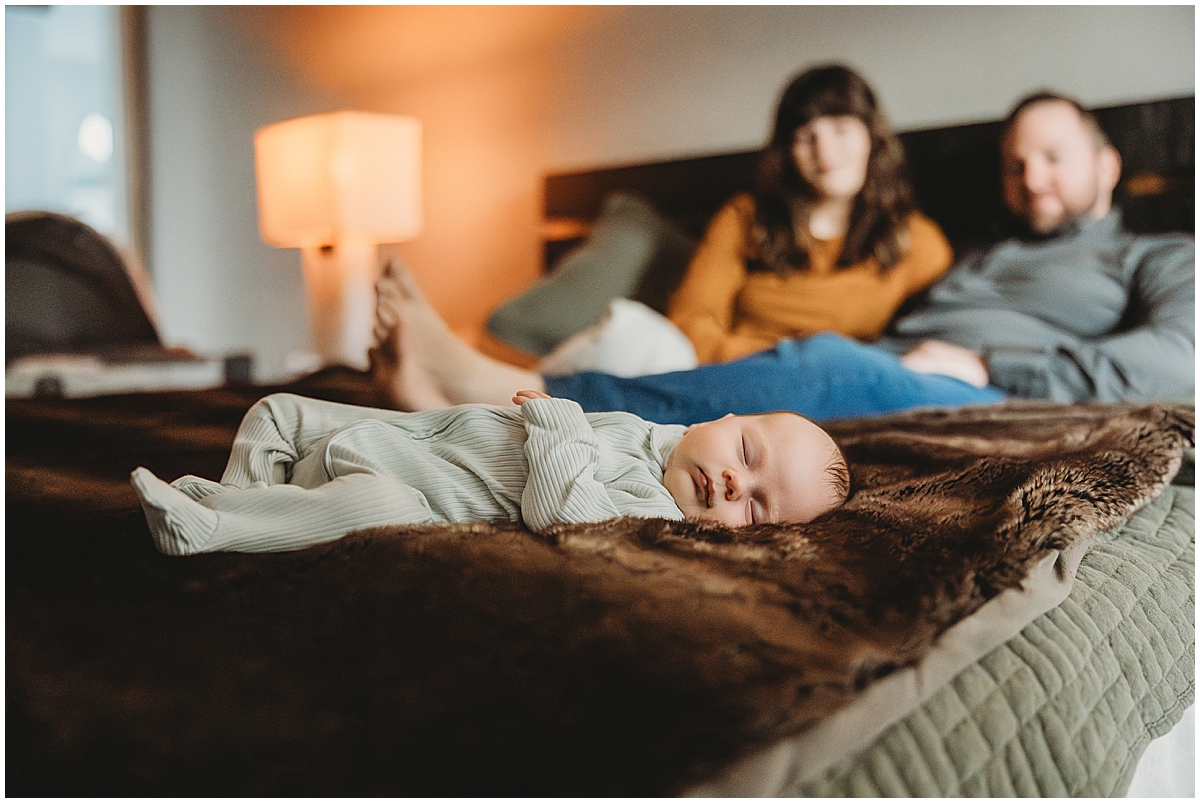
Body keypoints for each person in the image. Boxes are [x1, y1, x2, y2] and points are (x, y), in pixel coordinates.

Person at [370, 91, 1193, 425]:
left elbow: (1180, 362)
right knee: (822, 365)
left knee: (829, 363)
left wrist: (988, 360)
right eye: (1015, 163)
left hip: (980, 391)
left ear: (1110, 164)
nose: (1029, 177)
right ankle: (467, 415)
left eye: (1053, 157)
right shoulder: (978, 254)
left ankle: (507, 393)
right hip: (901, 365)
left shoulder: (1161, 254)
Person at [130, 391, 850, 556]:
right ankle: (244, 499)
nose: (733, 484)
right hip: (388, 433)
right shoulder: (647, 431)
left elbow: (566, 515)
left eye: (755, 509)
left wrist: (560, 421)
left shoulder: (649, 508)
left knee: (375, 504)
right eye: (748, 456)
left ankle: (216, 528)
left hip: (400, 487)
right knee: (277, 409)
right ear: (724, 419)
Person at [667, 64, 953, 364]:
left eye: (841, 129)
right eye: (805, 137)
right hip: (739, 379)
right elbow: (692, 321)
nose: (825, 152)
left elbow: (938, 340)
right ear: (788, 152)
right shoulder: (745, 218)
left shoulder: (915, 239)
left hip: (847, 388)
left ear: (872, 136)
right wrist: (767, 365)